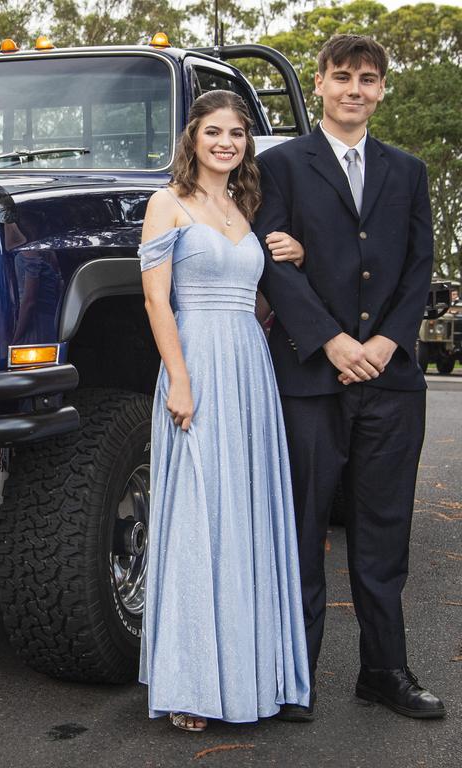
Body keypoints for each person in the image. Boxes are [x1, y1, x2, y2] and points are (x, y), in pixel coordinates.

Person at [254, 34, 445, 721]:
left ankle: (385, 671)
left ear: (382, 89)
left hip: (391, 386)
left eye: (368, 79)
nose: (355, 89)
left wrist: (387, 343)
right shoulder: (280, 166)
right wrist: (332, 341)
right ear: (321, 83)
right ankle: (293, 676)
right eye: (343, 77)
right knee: (303, 531)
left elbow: (419, 268)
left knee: (382, 535)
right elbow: (270, 259)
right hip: (310, 380)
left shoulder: (409, 171)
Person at [138, 89, 312, 731]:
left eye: (237, 133)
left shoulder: (245, 207)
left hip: (249, 364)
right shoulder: (168, 203)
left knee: (246, 512)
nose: (226, 143)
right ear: (193, 138)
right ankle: (191, 683)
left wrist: (292, 254)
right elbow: (158, 303)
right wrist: (179, 380)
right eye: (214, 131)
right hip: (199, 365)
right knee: (198, 514)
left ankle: (249, 671)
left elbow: (258, 295)